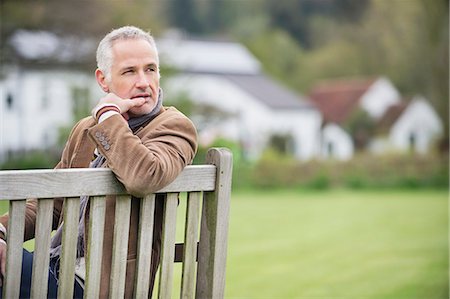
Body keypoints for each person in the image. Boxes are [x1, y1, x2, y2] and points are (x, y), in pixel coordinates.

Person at [0, 26, 198, 298]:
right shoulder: (86, 129)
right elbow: (52, 203)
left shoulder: (173, 126)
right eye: (130, 71)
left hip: (101, 287)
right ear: (103, 81)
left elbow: (143, 177)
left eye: (150, 69)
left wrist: (109, 116)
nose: (143, 81)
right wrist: (1, 230)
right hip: (55, 269)